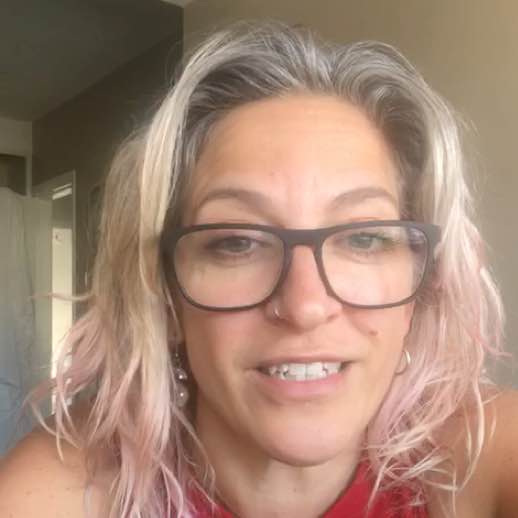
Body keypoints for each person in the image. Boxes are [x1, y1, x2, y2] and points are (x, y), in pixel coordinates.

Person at [0, 19, 516, 518]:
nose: (305, 306)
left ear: (418, 289)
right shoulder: (60, 492)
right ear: (165, 297)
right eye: (237, 242)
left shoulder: (484, 457)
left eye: (363, 237)